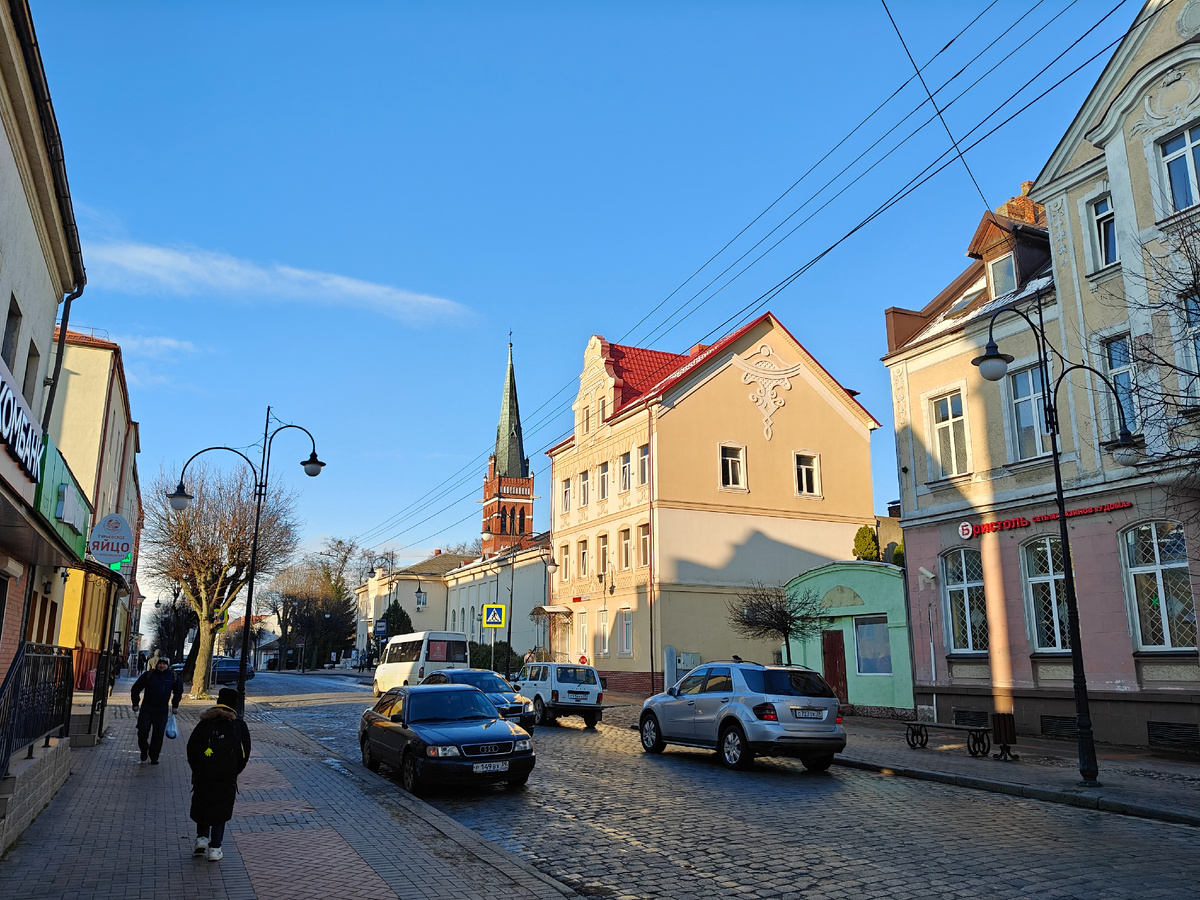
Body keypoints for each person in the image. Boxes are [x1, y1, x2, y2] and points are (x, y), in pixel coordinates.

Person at [187, 687, 251, 862]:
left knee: (203, 804)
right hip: (226, 776)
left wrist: (197, 769)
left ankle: (201, 838)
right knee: (221, 809)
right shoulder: (238, 726)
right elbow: (244, 753)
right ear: (234, 705)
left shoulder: (205, 723)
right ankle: (215, 848)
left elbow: (191, 748)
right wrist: (234, 770)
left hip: (203, 774)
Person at [130, 655, 182, 764]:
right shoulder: (149, 675)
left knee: (158, 734)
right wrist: (135, 703)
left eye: (164, 664)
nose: (161, 666)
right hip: (147, 708)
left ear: (167, 665)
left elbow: (178, 691)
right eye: (160, 663)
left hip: (162, 710)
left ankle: (154, 756)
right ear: (156, 664)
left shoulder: (173, 676)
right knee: (142, 731)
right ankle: (144, 748)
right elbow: (136, 688)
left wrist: (175, 705)